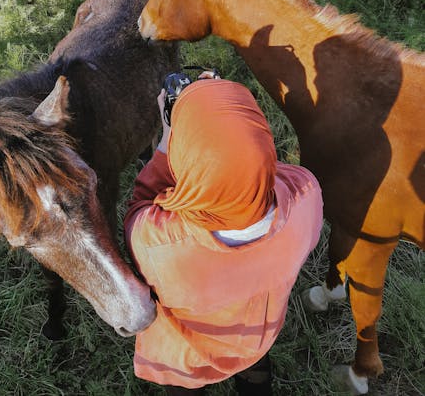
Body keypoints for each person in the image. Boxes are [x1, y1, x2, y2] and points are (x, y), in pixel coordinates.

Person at [124, 76, 323, 395]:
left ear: (185, 160)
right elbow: (282, 174)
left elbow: (141, 203)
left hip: (187, 360)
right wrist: (226, 122)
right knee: (256, 374)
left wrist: (166, 139)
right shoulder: (307, 198)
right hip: (255, 338)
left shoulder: (156, 243)